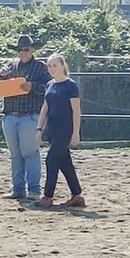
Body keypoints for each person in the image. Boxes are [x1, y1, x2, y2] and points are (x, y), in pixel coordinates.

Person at [0, 34, 51, 200]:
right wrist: (0, 75)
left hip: (29, 116)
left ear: (32, 50)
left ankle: (33, 190)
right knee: (16, 154)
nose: (23, 52)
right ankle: (18, 188)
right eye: (20, 50)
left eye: (26, 49)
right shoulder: (10, 67)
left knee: (30, 153)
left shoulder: (40, 67)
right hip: (11, 116)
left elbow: (48, 87)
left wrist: (32, 86)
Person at [34, 53, 85, 208]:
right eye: (49, 66)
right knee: (65, 163)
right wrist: (39, 127)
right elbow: (45, 107)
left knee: (51, 161)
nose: (52, 69)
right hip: (53, 129)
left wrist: (76, 133)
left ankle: (47, 196)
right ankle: (77, 195)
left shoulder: (71, 86)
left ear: (62, 66)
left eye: (54, 65)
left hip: (65, 130)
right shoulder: (50, 85)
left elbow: (76, 111)